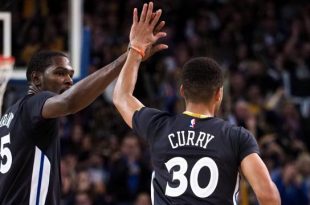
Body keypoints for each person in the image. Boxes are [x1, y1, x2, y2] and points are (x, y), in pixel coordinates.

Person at [113, 3, 281, 205]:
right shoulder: (237, 137)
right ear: (219, 94)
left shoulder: (158, 126)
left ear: (182, 91)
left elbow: (121, 96)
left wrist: (136, 50)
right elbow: (268, 197)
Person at [0, 2, 166, 204]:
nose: (69, 80)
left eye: (70, 74)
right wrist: (132, 53)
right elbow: (70, 103)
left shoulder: (9, 116)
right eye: (60, 73)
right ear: (36, 79)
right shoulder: (36, 101)